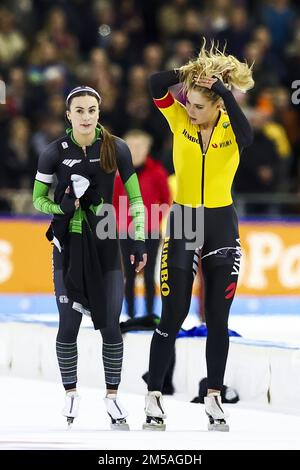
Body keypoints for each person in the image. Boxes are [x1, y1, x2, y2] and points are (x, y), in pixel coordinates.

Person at [144, 41, 254, 432]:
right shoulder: (178, 121)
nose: (189, 110)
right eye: (187, 103)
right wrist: (190, 74)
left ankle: (214, 398)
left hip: (222, 223)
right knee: (173, 314)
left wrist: (223, 90)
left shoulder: (231, 125)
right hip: (184, 221)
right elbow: (156, 83)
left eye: (197, 105)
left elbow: (249, 135)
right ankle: (154, 395)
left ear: (219, 105)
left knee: (217, 319)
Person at [32, 85, 147, 429]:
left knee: (112, 327)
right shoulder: (54, 153)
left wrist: (139, 240)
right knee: (68, 326)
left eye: (91, 110)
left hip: (106, 244)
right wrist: (61, 207)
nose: (86, 116)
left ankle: (112, 398)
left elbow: (137, 200)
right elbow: (38, 199)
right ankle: (71, 393)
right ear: (68, 115)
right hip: (68, 248)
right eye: (79, 110)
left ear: (99, 113)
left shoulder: (117, 148)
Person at [113, 129, 170, 321]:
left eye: (140, 146)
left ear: (147, 148)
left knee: (149, 275)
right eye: (132, 147)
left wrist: (155, 220)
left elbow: (165, 199)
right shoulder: (118, 174)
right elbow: (112, 201)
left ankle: (149, 313)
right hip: (126, 230)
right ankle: (129, 314)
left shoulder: (157, 172)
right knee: (127, 275)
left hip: (150, 231)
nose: (136, 151)